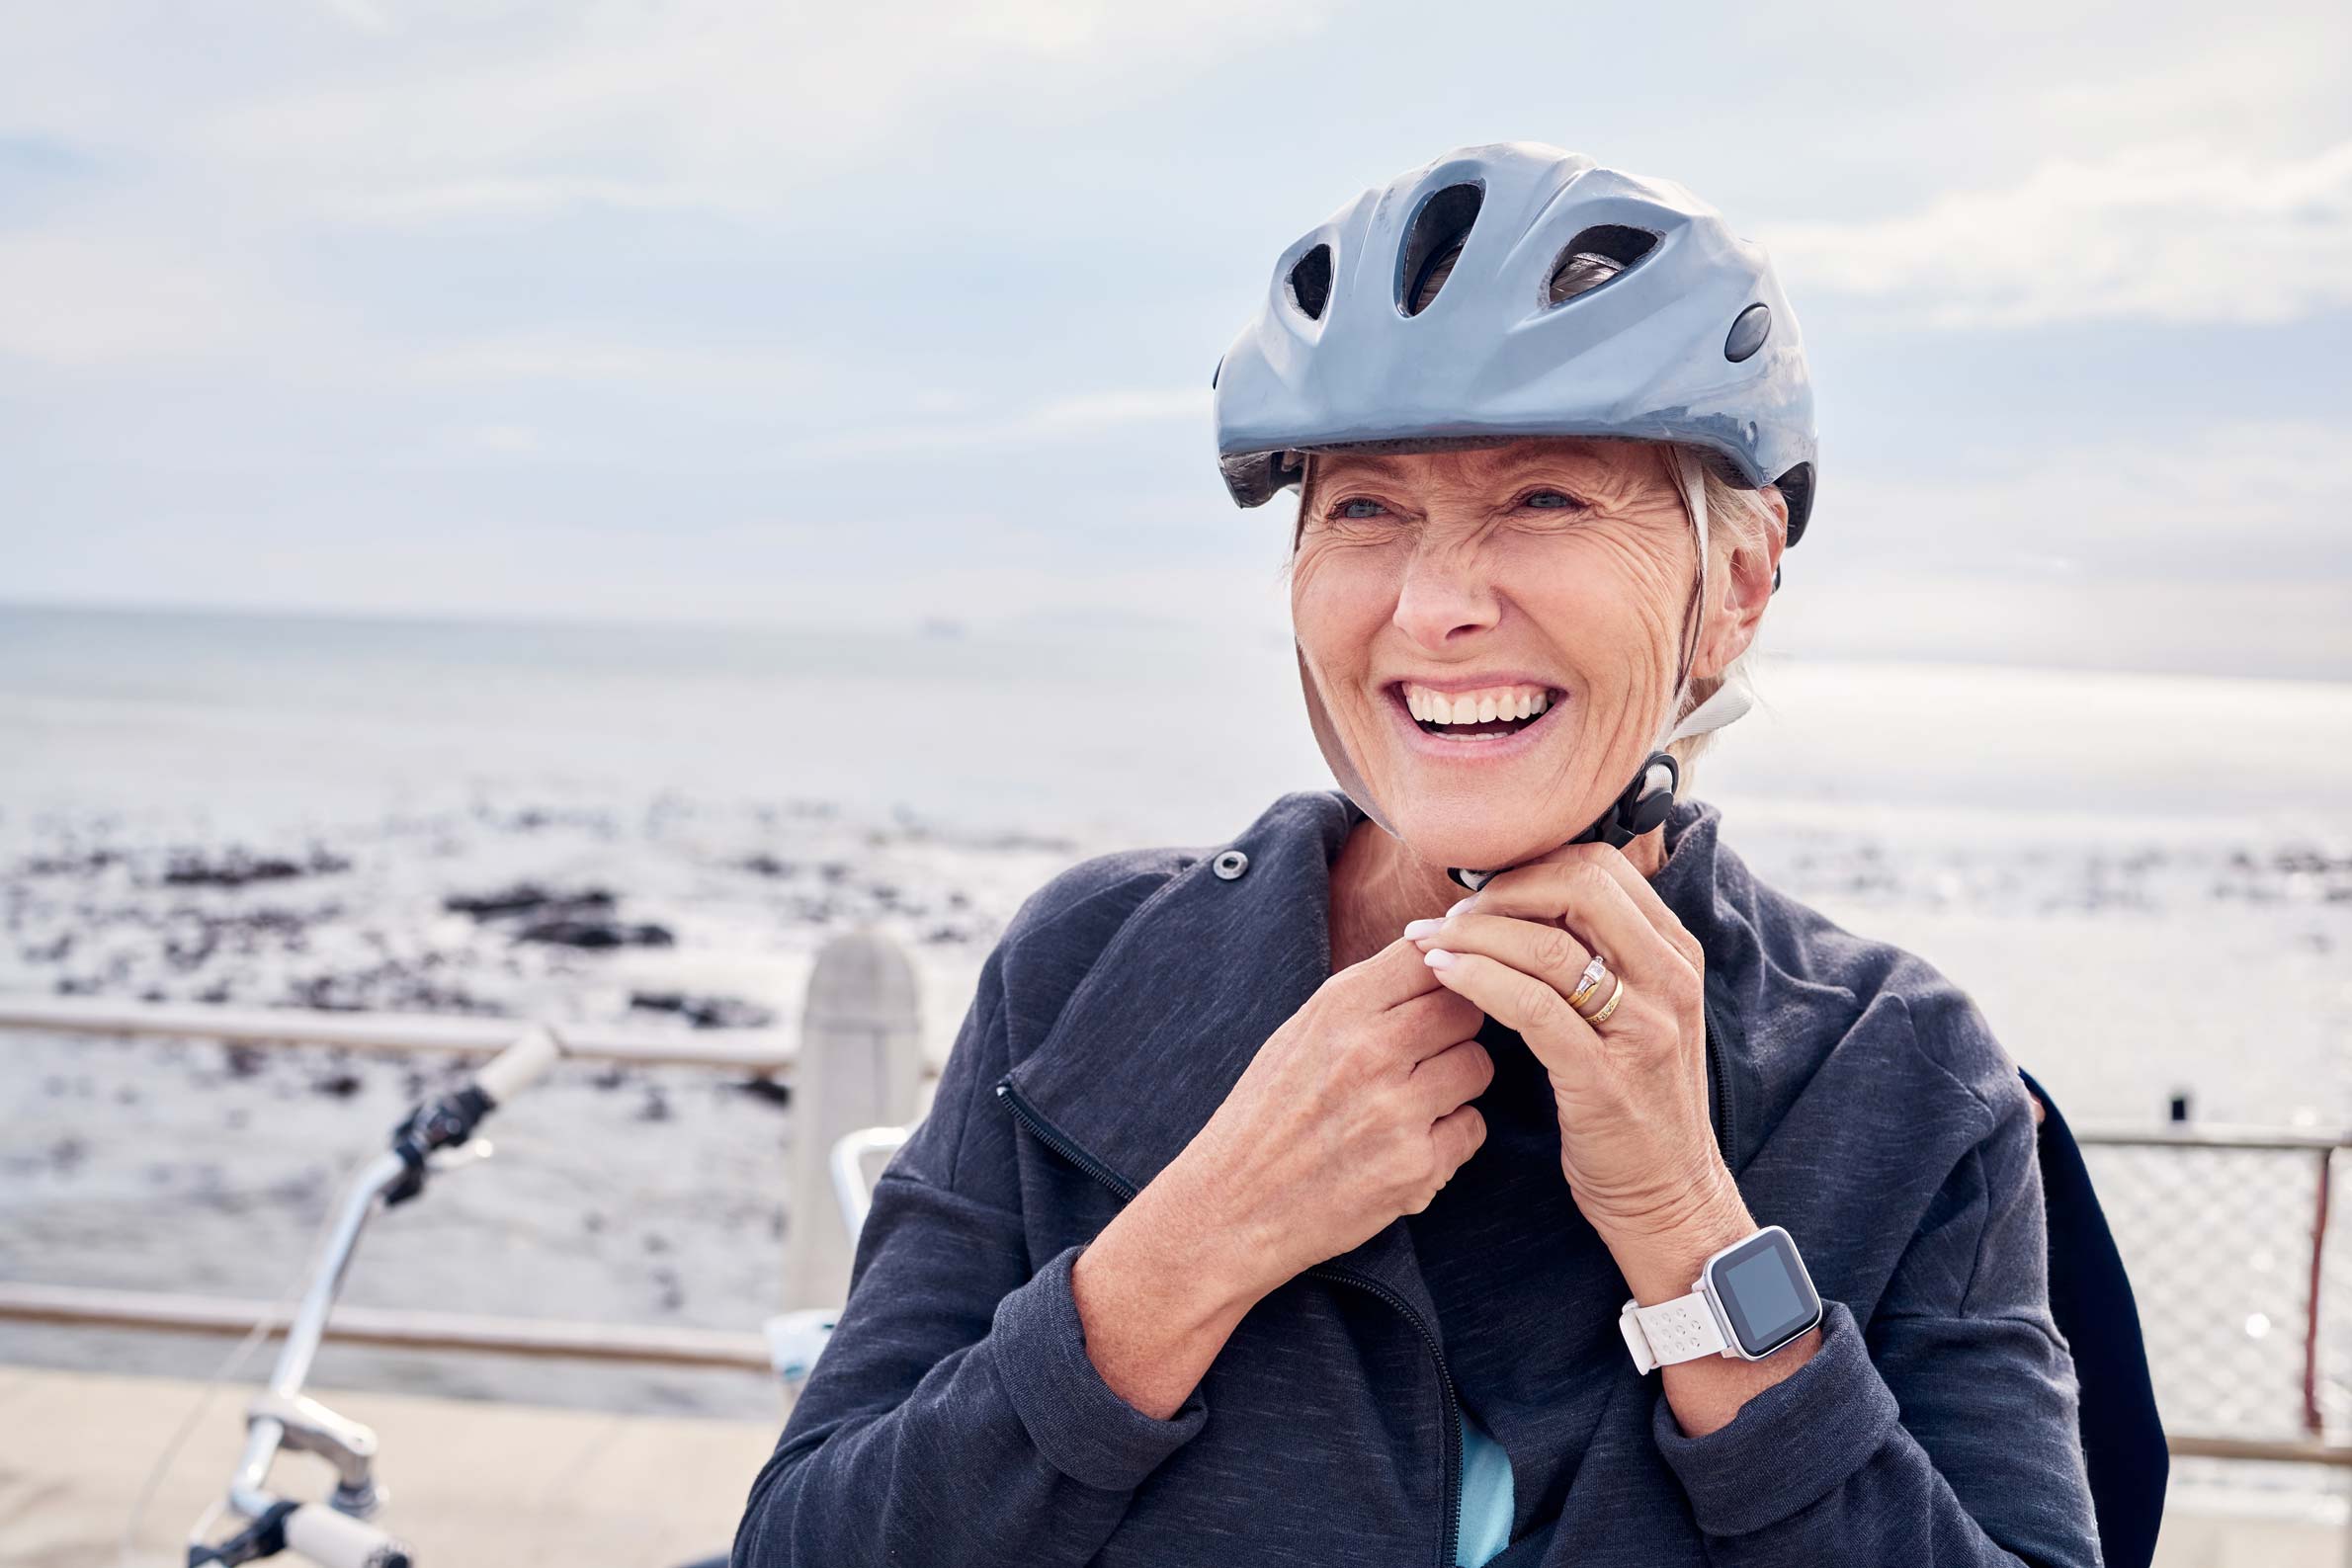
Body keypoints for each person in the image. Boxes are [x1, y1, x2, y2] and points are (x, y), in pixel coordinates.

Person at [732, 142, 2111, 1567]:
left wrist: (1687, 1225)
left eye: (1547, 501)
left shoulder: (1896, 1070)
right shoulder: (1090, 968)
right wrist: (1198, 1236)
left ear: (1736, 588)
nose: (1437, 605)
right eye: (1368, 511)